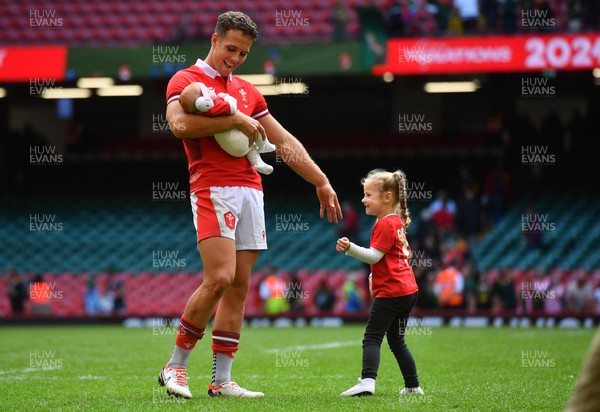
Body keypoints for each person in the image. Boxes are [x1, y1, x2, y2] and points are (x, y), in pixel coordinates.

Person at [158, 11, 343, 400]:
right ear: (213, 39)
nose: (236, 58)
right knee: (220, 277)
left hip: (252, 189)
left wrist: (320, 180)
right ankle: (174, 365)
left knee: (239, 287)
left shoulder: (247, 90)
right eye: (230, 49)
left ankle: (221, 380)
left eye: (243, 53)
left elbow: (284, 142)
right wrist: (233, 120)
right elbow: (179, 125)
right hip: (212, 186)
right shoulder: (186, 80)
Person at [336, 168, 423, 397]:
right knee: (396, 340)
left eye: (368, 195)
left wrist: (350, 247)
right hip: (408, 290)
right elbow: (399, 257)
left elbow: (375, 256)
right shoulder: (396, 222)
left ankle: (367, 381)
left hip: (393, 292)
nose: (363, 199)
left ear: (387, 197)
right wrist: (376, 275)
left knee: (372, 337)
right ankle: (413, 386)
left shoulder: (384, 223)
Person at [178, 81, 276, 175]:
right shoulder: (215, 106)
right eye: (207, 91)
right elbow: (232, 107)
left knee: (251, 147)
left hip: (232, 148)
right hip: (236, 140)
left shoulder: (202, 113)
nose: (210, 89)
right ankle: (264, 145)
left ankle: (258, 164)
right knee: (254, 127)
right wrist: (226, 97)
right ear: (203, 101)